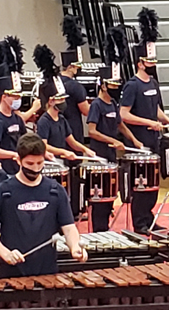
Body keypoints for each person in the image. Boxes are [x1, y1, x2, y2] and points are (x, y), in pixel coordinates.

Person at [0, 133, 87, 276]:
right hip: (12, 272)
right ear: (18, 160)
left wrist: (74, 246)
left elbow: (68, 227)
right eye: (29, 164)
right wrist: (5, 253)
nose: (35, 168)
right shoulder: (2, 192)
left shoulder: (55, 191)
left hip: (48, 270)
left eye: (39, 163)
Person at [120, 8, 169, 233]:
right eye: (149, 60)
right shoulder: (132, 85)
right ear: (140, 62)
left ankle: (149, 217)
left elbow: (155, 109)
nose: (153, 63)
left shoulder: (153, 84)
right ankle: (140, 222)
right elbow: (123, 115)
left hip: (154, 139)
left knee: (154, 184)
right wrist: (147, 123)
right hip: (140, 142)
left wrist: (168, 121)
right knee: (142, 185)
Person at [87, 31, 142, 232]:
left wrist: (134, 140)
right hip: (100, 156)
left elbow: (120, 124)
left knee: (111, 193)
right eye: (112, 84)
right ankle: (98, 230)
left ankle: (106, 228)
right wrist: (112, 141)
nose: (115, 88)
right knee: (100, 196)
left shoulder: (113, 104)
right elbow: (92, 131)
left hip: (111, 155)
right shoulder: (97, 105)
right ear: (103, 85)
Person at [33, 44, 96, 161]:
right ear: (51, 101)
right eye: (60, 99)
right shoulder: (44, 121)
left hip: (63, 161)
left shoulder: (62, 119)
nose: (63, 101)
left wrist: (85, 149)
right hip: (52, 162)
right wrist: (63, 152)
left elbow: (71, 141)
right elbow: (43, 145)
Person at [60, 14, 92, 146]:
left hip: (56, 132)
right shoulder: (75, 86)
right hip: (73, 131)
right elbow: (86, 111)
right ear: (72, 67)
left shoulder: (52, 82)